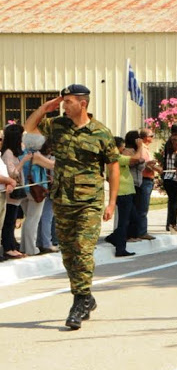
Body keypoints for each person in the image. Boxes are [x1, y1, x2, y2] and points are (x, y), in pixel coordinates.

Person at [24, 84, 120, 330]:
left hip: (89, 201)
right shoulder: (57, 125)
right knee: (68, 254)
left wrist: (111, 202)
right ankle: (87, 296)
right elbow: (29, 127)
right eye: (63, 102)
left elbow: (113, 167)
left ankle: (79, 301)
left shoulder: (101, 133)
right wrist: (46, 107)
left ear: (83, 103)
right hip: (63, 199)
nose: (64, 106)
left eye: (68, 101)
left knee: (83, 250)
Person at [105, 136, 144, 257]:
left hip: (126, 192)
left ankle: (114, 237)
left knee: (135, 219)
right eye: (122, 146)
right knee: (124, 221)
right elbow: (136, 158)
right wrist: (140, 146)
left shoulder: (116, 157)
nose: (124, 148)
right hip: (123, 193)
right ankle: (120, 248)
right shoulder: (116, 158)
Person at [21, 133, 55, 256]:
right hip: (36, 189)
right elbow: (52, 165)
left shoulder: (23, 153)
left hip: (24, 188)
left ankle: (24, 247)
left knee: (27, 219)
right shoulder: (36, 155)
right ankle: (31, 248)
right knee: (33, 220)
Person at [1, 124, 30, 259]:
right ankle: (8, 247)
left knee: (12, 220)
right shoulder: (7, 153)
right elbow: (11, 173)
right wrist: (23, 161)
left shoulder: (13, 152)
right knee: (9, 221)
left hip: (16, 193)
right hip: (11, 194)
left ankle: (12, 245)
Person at [135, 128, 161, 241]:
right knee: (143, 207)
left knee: (142, 207)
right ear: (146, 137)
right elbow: (146, 165)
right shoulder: (143, 150)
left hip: (147, 179)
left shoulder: (146, 149)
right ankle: (141, 231)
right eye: (151, 135)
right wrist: (158, 168)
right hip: (145, 179)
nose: (152, 138)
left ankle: (140, 230)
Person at [162, 133, 177, 232]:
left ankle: (169, 223)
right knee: (175, 203)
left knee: (171, 202)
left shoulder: (167, 153)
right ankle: (172, 223)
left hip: (167, 178)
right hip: (174, 179)